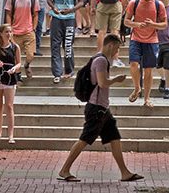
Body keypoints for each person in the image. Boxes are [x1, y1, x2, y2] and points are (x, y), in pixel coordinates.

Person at [57, 34, 144, 183]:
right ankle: (64, 169)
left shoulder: (98, 59)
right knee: (84, 139)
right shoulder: (101, 60)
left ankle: (125, 172)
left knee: (114, 138)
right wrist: (117, 79)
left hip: (103, 108)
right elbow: (103, 83)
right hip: (96, 109)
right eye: (117, 48)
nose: (117, 51)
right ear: (110, 45)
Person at [124, 0, 167, 108]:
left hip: (152, 40)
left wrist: (153, 24)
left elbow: (164, 24)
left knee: (149, 70)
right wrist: (137, 24)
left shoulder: (159, 5)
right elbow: (126, 21)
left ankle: (147, 98)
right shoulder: (134, 3)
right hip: (136, 38)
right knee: (134, 65)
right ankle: (137, 88)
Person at [47, 0, 84, 83]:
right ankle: (57, 73)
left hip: (69, 18)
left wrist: (71, 10)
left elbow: (81, 2)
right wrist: (53, 8)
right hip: (57, 18)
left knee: (68, 45)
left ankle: (69, 70)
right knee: (55, 46)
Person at [0, 24, 21, 144]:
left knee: (9, 105)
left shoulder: (15, 47)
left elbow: (19, 63)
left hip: (10, 79)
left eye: (10, 32)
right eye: (6, 32)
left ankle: (11, 134)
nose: (9, 34)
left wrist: (14, 69)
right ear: (1, 33)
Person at [5, 0, 39, 79]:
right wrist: (9, 29)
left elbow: (35, 14)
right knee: (15, 56)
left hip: (28, 31)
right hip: (15, 31)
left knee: (30, 55)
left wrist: (34, 28)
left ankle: (27, 65)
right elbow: (8, 14)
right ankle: (18, 75)